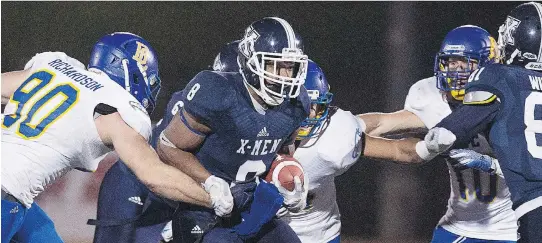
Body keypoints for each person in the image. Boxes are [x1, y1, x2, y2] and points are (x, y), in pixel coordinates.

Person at [1, 32, 218, 243]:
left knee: (42, 231)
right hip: (7, 193)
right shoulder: (113, 110)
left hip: (13, 193)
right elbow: (154, 175)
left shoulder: (54, 68)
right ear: (133, 73)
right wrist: (213, 198)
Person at [357, 25, 518, 242]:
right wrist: (347, 124)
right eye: (452, 63)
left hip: (511, 229)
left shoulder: (512, 102)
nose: (457, 72)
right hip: (457, 226)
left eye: (466, 64)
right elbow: (384, 123)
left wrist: (489, 164)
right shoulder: (434, 98)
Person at [90, 40, 242, 243]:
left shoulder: (262, 123)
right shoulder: (196, 107)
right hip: (137, 182)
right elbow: (167, 157)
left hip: (179, 197)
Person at [420, 2, 542, 242]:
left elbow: (449, 132)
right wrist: (494, 165)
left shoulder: (499, 76)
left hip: (534, 207)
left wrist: (441, 134)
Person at [278, 60, 365, 243]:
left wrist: (423, 148)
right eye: (298, 104)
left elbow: (395, 149)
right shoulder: (252, 133)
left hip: (319, 235)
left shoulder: (332, 138)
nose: (307, 114)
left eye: (313, 105)